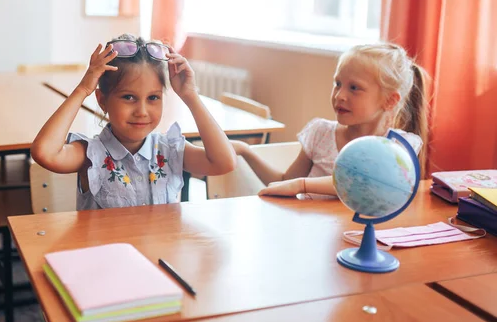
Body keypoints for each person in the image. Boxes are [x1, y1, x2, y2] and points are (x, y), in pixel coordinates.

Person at [31, 34, 236, 209]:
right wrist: (83, 89)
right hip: (105, 255)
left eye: (153, 98)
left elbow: (224, 162)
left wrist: (190, 96)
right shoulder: (91, 154)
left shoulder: (169, 150)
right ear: (102, 100)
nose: (142, 111)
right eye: (129, 97)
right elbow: (45, 152)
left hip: (158, 253)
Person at [232, 43, 428, 198]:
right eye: (338, 84)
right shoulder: (320, 133)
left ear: (389, 100)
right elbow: (285, 182)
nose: (340, 95)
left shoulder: (398, 147)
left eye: (354, 88)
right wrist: (245, 151)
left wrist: (303, 185)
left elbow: (364, 184)